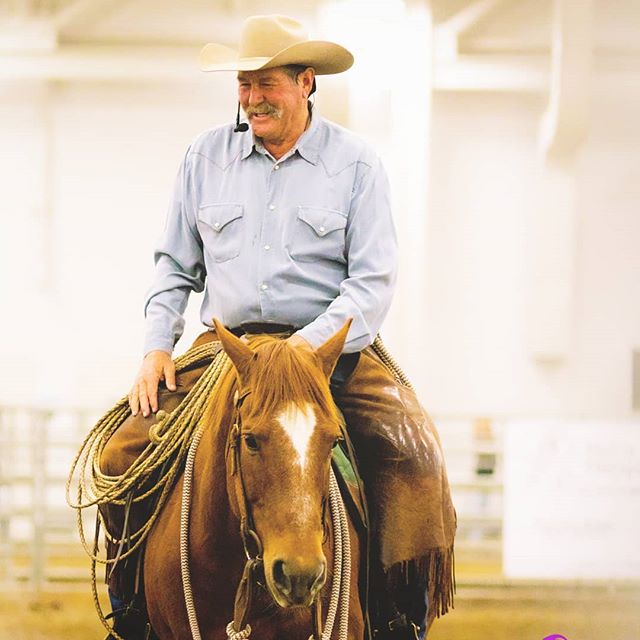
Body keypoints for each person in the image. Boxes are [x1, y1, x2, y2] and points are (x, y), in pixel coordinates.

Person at [101, 14, 455, 640]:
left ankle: (400, 617)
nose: (252, 98)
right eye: (243, 83)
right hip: (226, 350)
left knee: (411, 449)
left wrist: (300, 354)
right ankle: (132, 614)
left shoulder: (356, 164)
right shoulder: (204, 157)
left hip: (329, 348)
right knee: (121, 455)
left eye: (266, 83)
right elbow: (175, 263)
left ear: (305, 83)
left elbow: (371, 283)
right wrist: (158, 345)